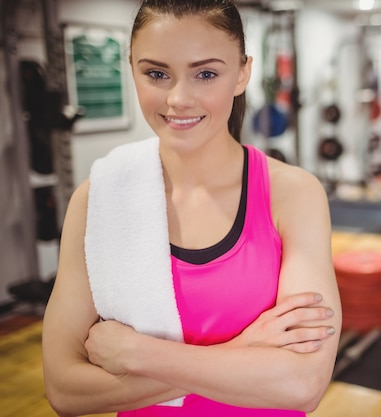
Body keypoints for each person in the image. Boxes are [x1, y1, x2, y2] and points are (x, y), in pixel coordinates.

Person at [41, 0, 341, 416]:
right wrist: (242, 349)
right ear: (132, 69)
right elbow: (65, 390)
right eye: (157, 74)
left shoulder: (293, 194)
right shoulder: (98, 201)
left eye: (206, 74)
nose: (179, 98)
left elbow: (301, 385)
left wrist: (138, 354)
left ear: (242, 73)